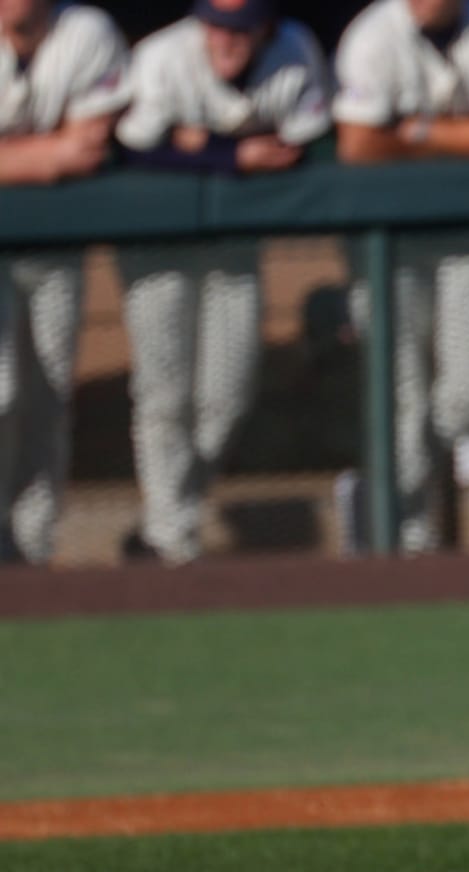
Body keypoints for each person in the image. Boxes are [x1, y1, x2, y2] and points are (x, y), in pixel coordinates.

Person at [114, 0, 332, 563]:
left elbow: (307, 143)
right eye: (215, 26)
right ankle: (170, 539)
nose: (225, 41)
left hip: (235, 245)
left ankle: (166, 518)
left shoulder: (293, 50)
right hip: (155, 242)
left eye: (238, 29)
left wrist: (194, 145)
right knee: (164, 394)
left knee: (227, 397)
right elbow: (131, 146)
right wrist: (231, 154)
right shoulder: (161, 55)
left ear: (264, 26)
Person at [334, 0, 469, 553]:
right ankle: (404, 535)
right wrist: (460, 135)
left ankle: (380, 489)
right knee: (401, 395)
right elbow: (356, 144)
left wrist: (413, 131)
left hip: (459, 231)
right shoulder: (373, 33)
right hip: (379, 236)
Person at [0, 0, 130, 564]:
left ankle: (32, 550)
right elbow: (64, 151)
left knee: (46, 400)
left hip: (56, 246)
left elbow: (87, 148)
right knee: (0, 393)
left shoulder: (86, 30)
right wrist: (49, 152)